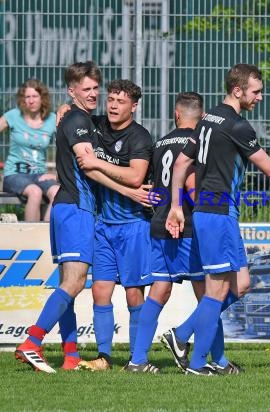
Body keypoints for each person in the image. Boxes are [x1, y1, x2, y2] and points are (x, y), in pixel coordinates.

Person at [166, 63, 270, 375]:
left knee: (240, 284)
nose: (260, 97)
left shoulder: (207, 119)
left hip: (210, 213)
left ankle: (184, 335)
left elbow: (180, 164)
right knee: (216, 292)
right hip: (218, 214)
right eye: (256, 91)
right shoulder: (237, 125)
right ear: (237, 90)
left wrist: (177, 206)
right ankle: (195, 359)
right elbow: (269, 168)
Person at [14, 62, 102, 373]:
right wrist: (130, 187)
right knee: (75, 282)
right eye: (85, 88)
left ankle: (71, 357)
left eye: (95, 88)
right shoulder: (77, 119)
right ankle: (32, 343)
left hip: (68, 207)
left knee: (69, 284)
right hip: (75, 208)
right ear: (72, 90)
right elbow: (87, 163)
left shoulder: (78, 117)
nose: (92, 94)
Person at [74, 80, 154, 371]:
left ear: (134, 106)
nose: (112, 105)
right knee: (100, 291)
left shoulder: (140, 137)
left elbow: (135, 177)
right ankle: (104, 357)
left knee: (134, 294)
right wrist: (62, 109)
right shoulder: (97, 125)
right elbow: (73, 115)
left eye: (120, 101)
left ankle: (138, 358)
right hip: (103, 225)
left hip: (134, 226)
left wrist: (96, 163)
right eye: (111, 99)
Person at [125, 92, 206, 373]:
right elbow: (192, 185)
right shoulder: (195, 144)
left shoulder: (160, 143)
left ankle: (137, 360)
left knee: (159, 290)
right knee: (210, 294)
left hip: (159, 224)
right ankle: (213, 360)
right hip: (185, 225)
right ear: (202, 117)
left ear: (176, 113)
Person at [0, 79, 59, 222]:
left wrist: (57, 174)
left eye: (35, 96)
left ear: (42, 98)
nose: (31, 101)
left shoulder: (52, 119)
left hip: (39, 174)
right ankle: (30, 239)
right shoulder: (13, 115)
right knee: (35, 192)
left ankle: (46, 238)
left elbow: (67, 147)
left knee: (57, 192)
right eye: (27, 97)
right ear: (22, 99)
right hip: (14, 174)